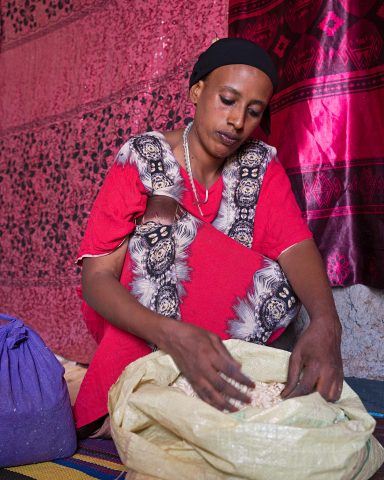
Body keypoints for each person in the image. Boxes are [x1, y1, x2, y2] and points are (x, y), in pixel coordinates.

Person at [74, 38, 343, 437]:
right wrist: (171, 333)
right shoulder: (143, 157)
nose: (238, 122)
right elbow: (96, 280)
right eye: (228, 100)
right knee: (162, 230)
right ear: (197, 92)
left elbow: (296, 245)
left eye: (253, 111)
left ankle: (193, 392)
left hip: (223, 332)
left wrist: (327, 322)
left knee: (288, 280)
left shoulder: (258, 163)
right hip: (140, 319)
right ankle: (134, 388)